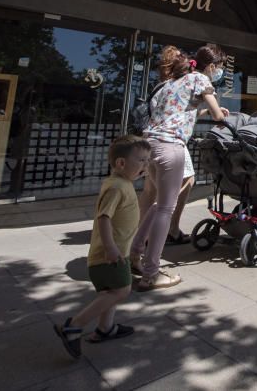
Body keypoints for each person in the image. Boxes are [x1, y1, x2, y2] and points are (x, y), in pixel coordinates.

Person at [130, 44, 228, 290]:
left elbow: (176, 110)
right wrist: (219, 113)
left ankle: (134, 255)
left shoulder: (174, 81)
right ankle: (151, 273)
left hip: (149, 143)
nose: (221, 72)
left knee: (156, 204)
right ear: (213, 66)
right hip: (169, 146)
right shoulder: (201, 80)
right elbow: (219, 116)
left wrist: (202, 110)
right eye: (221, 67)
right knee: (165, 209)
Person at [54, 135, 151, 359]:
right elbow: (103, 218)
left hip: (117, 252)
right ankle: (74, 326)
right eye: (142, 161)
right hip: (110, 255)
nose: (146, 166)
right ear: (121, 163)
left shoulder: (122, 183)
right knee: (121, 291)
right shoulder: (117, 187)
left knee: (110, 293)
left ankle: (105, 328)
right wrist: (110, 248)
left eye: (148, 161)